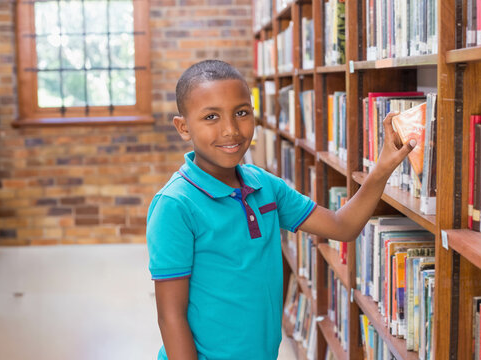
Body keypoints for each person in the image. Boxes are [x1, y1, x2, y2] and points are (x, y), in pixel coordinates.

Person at [146, 59, 416, 360]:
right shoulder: (175, 206)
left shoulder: (265, 186)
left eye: (241, 113)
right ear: (183, 127)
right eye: (211, 116)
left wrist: (381, 169)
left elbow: (343, 227)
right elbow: (171, 317)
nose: (231, 130)